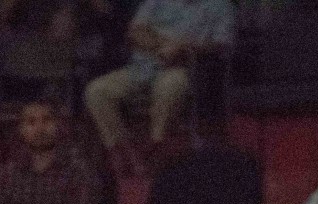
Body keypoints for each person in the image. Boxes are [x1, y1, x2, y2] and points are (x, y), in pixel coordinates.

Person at [83, 0, 234, 174]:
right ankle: (125, 152)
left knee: (170, 85)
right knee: (96, 90)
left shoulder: (221, 6)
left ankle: (157, 148)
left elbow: (222, 46)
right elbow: (134, 32)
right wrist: (163, 46)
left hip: (183, 69)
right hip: (140, 68)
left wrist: (184, 47)